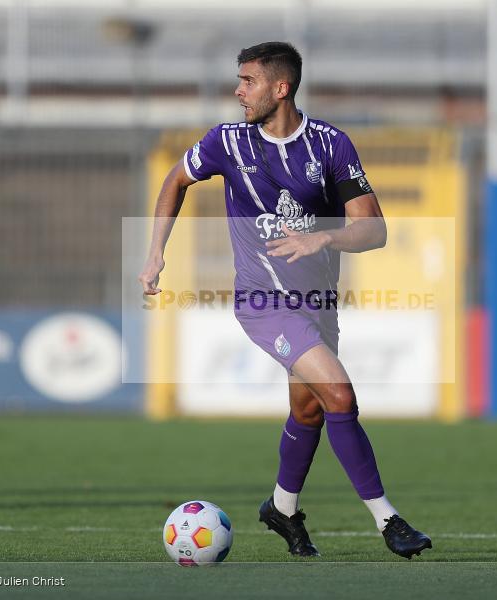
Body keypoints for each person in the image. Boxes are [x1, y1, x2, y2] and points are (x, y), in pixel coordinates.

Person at [139, 42, 431, 559]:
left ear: (281, 87)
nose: (237, 91)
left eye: (247, 81)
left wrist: (324, 238)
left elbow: (374, 229)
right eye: (238, 80)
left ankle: (282, 509)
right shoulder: (225, 143)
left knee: (309, 410)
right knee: (339, 395)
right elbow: (175, 180)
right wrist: (155, 252)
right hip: (263, 302)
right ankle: (389, 522)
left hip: (317, 301)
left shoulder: (331, 145)